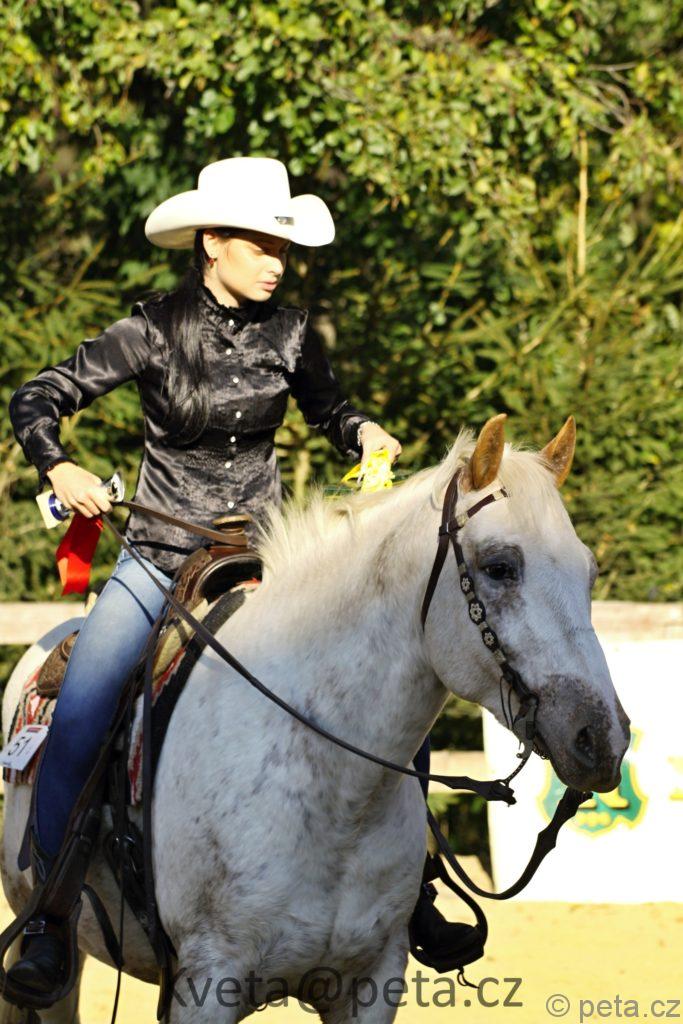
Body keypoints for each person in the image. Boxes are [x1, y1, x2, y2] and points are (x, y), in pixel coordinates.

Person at [6, 157, 453, 1002]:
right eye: (260, 243)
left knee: (390, 685)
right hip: (160, 557)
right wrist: (58, 465)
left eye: (282, 246)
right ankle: (50, 922)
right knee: (83, 708)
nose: (277, 260)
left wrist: (364, 432)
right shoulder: (148, 330)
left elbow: (329, 409)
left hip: (269, 563)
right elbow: (36, 397)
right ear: (212, 242)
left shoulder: (293, 333)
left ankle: (414, 890)